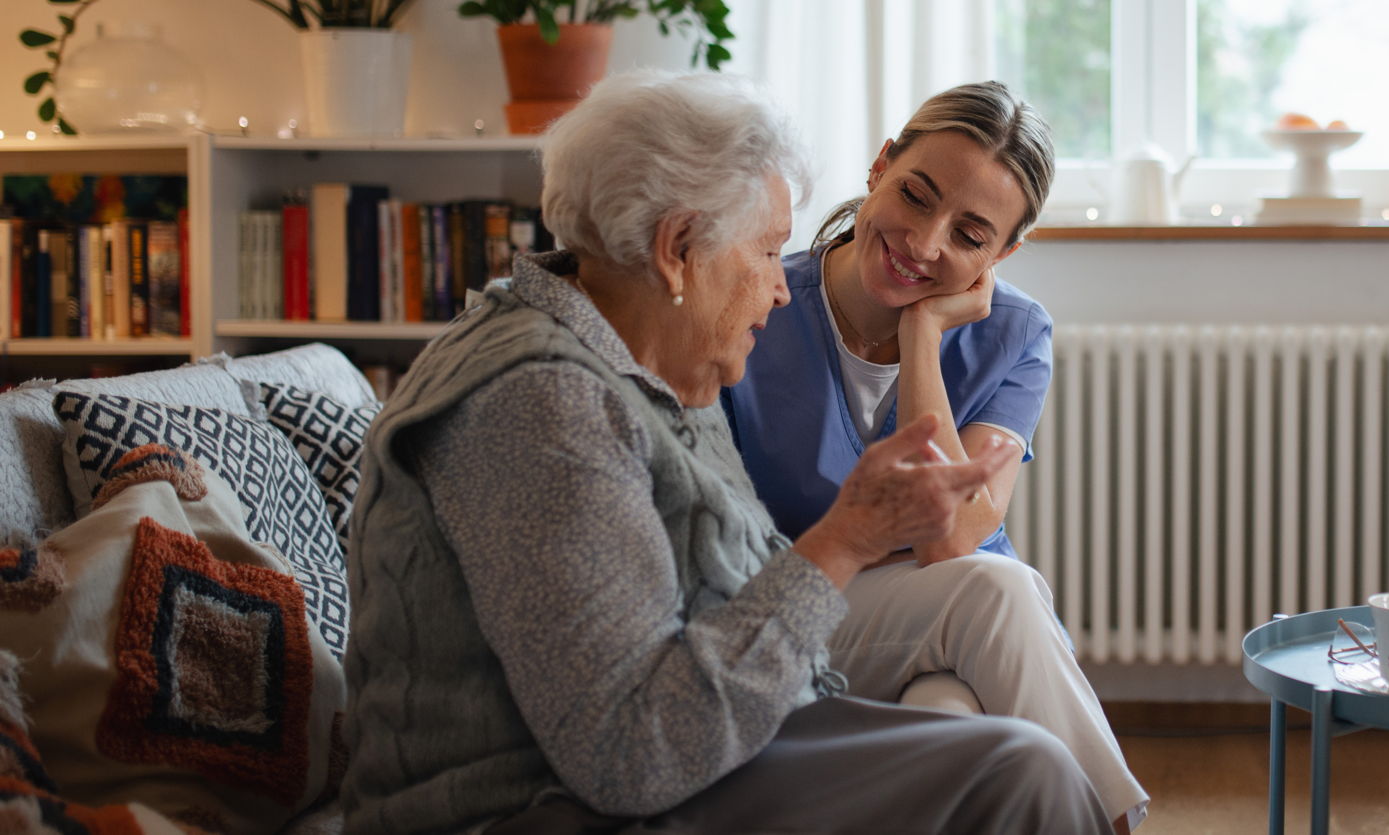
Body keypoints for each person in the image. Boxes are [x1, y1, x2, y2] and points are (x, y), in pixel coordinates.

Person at [340, 70, 1110, 835]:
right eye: (770, 250)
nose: (783, 289)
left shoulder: (656, 357)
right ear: (679, 250)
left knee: (994, 743)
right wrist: (847, 537)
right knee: (1017, 769)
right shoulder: (542, 406)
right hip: (542, 801)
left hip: (706, 721)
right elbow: (631, 755)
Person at [723, 81, 1149, 831]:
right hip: (803, 613)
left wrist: (922, 333)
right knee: (996, 588)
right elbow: (959, 549)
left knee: (958, 725)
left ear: (1004, 253)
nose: (925, 243)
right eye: (917, 196)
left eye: (970, 234)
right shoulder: (761, 300)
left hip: (947, 630)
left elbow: (947, 536)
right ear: (880, 166)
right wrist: (928, 318)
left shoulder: (1016, 334)